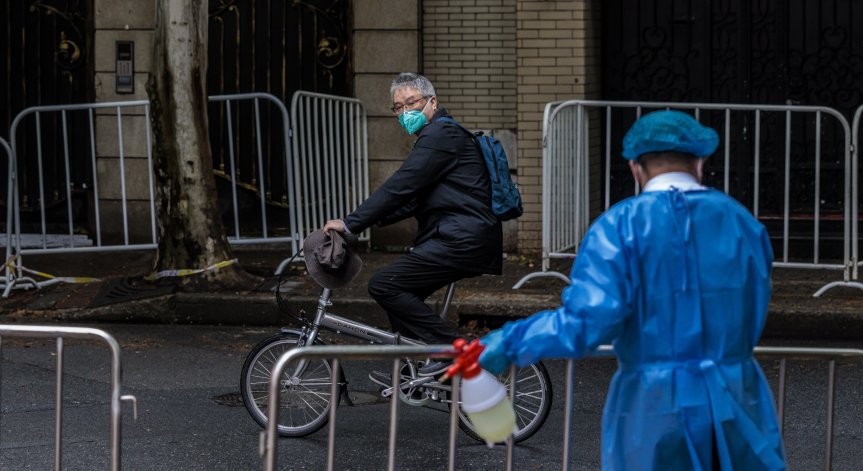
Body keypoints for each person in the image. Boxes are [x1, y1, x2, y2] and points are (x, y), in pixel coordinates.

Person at [479, 110, 786, 470]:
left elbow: (585, 323)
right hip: (738, 402)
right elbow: (756, 301)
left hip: (654, 409)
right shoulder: (742, 224)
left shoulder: (618, 227)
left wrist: (508, 343)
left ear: (634, 167)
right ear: (700, 161)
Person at [322, 72, 503, 381]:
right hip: (460, 238)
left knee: (384, 285)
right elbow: (410, 200)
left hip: (462, 240)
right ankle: (417, 373)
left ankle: (451, 349)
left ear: (432, 103)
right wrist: (365, 223)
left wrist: (351, 222)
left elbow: (401, 186)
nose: (405, 113)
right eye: (398, 108)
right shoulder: (437, 138)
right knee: (401, 294)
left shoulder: (440, 136)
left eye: (411, 103)